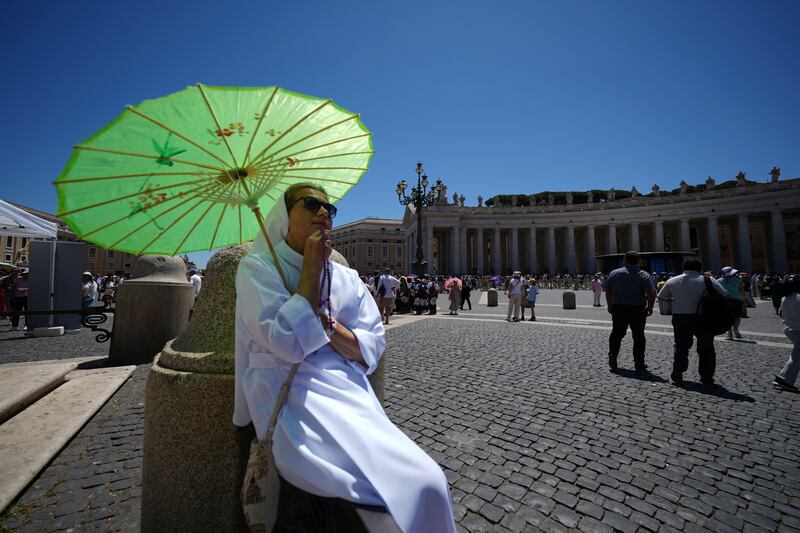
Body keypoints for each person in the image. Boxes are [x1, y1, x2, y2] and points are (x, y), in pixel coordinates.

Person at [234, 183, 455, 532]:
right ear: (283, 215)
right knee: (359, 491)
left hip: (347, 392)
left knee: (428, 482)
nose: (324, 213)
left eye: (329, 209)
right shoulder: (257, 270)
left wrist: (327, 327)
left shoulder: (348, 277)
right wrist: (310, 273)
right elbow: (286, 344)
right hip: (287, 394)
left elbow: (372, 345)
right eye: (311, 204)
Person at [658, 257, 727, 387]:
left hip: (681, 317)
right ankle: (706, 376)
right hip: (704, 317)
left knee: (681, 345)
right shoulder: (708, 279)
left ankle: (678, 371)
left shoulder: (673, 280)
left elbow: (662, 297)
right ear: (699, 268)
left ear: (683, 268)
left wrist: (676, 301)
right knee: (706, 347)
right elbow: (723, 294)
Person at [604, 251, 656, 372]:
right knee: (638, 336)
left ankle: (613, 354)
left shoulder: (614, 273)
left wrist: (609, 305)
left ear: (625, 260)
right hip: (637, 308)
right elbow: (652, 293)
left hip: (618, 307)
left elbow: (608, 291)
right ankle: (639, 362)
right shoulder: (643, 275)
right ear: (638, 262)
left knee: (616, 333)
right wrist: (650, 307)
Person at [773, 275, 800, 392]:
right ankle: (784, 378)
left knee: (797, 354)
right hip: (798, 329)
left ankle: (784, 377)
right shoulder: (799, 298)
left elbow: (780, 312)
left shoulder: (785, 298)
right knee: (796, 356)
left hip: (788, 328)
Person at [717, 266, 745, 339]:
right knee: (737, 316)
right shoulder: (738, 280)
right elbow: (742, 291)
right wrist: (744, 301)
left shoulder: (719, 281)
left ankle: (729, 332)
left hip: (725, 300)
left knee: (727, 316)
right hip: (737, 300)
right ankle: (735, 328)